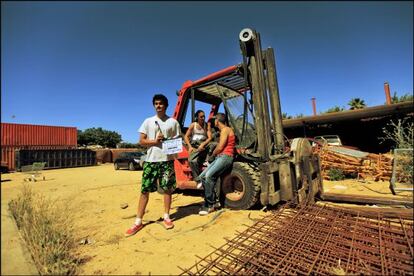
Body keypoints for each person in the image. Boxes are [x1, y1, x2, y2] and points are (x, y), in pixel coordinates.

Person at [125, 94, 181, 237]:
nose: (158, 106)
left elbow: (177, 140)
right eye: (156, 103)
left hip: (167, 161)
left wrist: (173, 147)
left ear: (166, 105)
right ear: (154, 105)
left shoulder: (173, 122)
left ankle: (167, 217)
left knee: (167, 190)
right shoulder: (148, 121)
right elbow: (141, 141)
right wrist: (155, 141)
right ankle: (138, 221)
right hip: (150, 161)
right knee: (144, 191)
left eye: (161, 103)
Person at [196, 113, 235, 215]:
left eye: (214, 120)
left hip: (225, 157)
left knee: (209, 176)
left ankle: (210, 205)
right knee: (203, 176)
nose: (214, 122)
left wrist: (212, 154)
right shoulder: (225, 130)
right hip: (221, 157)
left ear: (217, 121)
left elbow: (220, 147)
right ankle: (214, 201)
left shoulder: (225, 130)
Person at [184, 110, 213, 182]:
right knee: (192, 161)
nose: (203, 118)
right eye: (201, 117)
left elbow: (210, 138)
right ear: (197, 117)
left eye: (204, 116)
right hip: (195, 145)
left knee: (214, 144)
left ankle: (207, 160)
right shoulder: (193, 125)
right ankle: (197, 179)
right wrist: (190, 147)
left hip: (204, 144)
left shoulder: (206, 125)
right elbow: (186, 136)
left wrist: (203, 144)